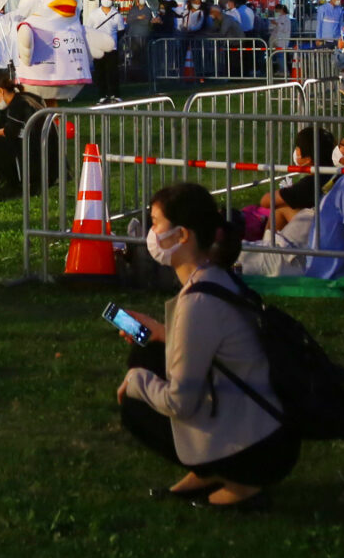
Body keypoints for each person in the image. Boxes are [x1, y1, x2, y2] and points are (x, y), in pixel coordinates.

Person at [112, 182, 299, 509]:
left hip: (257, 447)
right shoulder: (216, 276)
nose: (151, 234)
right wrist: (159, 331)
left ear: (182, 235)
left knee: (136, 403)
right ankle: (209, 471)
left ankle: (237, 481)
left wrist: (136, 382)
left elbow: (180, 402)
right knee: (149, 350)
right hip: (271, 431)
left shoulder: (198, 301)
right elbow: (215, 342)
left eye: (156, 224)